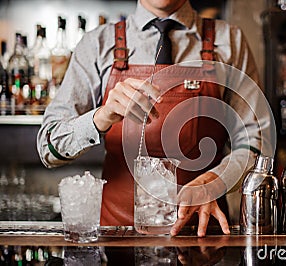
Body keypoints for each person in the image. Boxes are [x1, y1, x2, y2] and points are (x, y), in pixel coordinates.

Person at [37, 0, 269, 237]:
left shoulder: (229, 40)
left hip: (202, 238)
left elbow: (255, 143)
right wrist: (101, 117)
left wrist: (215, 182)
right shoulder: (97, 44)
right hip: (117, 237)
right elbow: (48, 147)